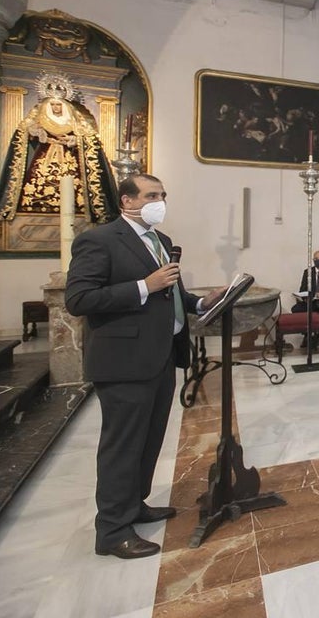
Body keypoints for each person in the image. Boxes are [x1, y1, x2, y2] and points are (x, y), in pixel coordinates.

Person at [64, 174, 223, 559]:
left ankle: (134, 504)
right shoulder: (99, 240)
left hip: (160, 355)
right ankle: (113, 531)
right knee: (122, 445)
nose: (160, 201)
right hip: (124, 360)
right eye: (152, 195)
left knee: (149, 440)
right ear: (128, 199)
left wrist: (201, 303)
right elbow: (80, 298)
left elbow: (173, 293)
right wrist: (143, 286)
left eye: (163, 195)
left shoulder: (161, 241)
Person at [0, 71, 119, 225]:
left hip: (69, 159)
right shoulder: (41, 118)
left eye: (58, 105)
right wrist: (38, 133)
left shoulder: (74, 120)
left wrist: (74, 140)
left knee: (73, 189)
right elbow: (24, 133)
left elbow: (90, 138)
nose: (55, 108)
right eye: (52, 105)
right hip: (44, 158)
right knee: (37, 186)